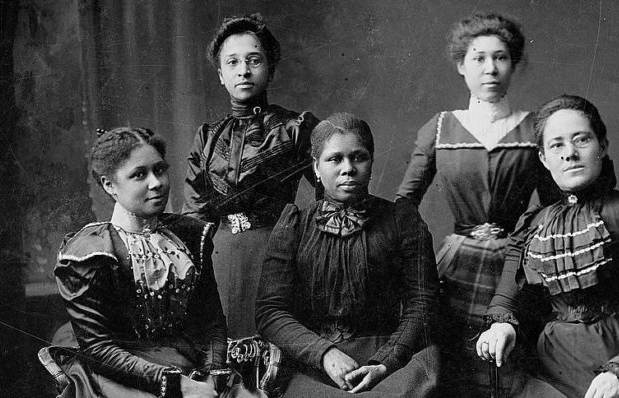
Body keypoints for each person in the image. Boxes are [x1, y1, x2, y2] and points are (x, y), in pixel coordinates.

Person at [476, 95, 619, 398]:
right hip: (549, 371)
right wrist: (502, 327)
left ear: (602, 145)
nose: (570, 154)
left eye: (582, 139)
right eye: (557, 145)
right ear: (544, 158)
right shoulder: (533, 224)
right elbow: (505, 301)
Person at [395, 12, 556, 393]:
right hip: (455, 267)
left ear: (513, 63)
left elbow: (554, 209)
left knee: (511, 368)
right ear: (460, 66)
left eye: (500, 57)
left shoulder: (535, 128)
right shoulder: (440, 127)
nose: (490, 68)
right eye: (478, 58)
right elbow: (404, 204)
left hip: (514, 266)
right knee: (448, 367)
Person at [256, 113, 440, 397]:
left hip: (388, 361)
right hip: (313, 364)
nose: (348, 168)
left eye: (358, 157)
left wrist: (385, 363)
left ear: (371, 162)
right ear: (316, 167)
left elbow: (423, 304)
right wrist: (324, 353)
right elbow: (270, 311)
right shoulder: (294, 225)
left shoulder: (402, 220)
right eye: (335, 159)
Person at [54, 127, 228, 398]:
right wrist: (177, 386)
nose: (156, 183)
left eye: (159, 170)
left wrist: (211, 378)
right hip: (121, 375)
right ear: (109, 185)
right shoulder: (89, 253)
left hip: (191, 365)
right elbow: (99, 348)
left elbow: (212, 322)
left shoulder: (190, 236)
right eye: (139, 175)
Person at [182, 14, 320, 339]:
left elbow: (327, 198)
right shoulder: (207, 136)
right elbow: (194, 214)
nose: (243, 70)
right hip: (219, 257)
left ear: (270, 68)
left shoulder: (294, 128)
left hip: (278, 254)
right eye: (232, 62)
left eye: (253, 60)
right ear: (220, 74)